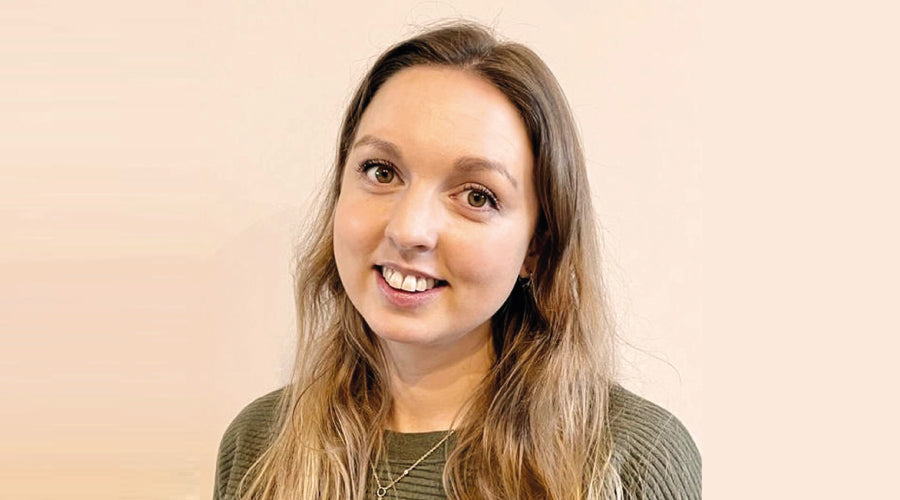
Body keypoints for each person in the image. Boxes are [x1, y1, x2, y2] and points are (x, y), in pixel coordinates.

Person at [213, 21, 701, 500]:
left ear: (537, 247)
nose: (408, 229)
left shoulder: (632, 460)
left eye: (476, 196)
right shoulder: (258, 445)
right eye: (381, 171)